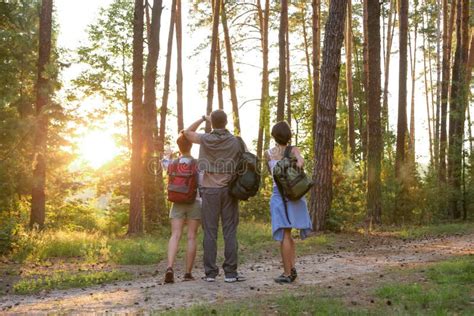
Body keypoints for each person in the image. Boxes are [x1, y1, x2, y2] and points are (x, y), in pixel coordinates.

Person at [183, 110, 246, 283]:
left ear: (213, 122)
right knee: (230, 231)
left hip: (209, 191)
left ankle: (210, 273)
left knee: (210, 232)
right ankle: (231, 273)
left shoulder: (206, 139)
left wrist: (203, 118)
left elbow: (186, 133)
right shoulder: (235, 141)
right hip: (228, 191)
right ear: (226, 123)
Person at [264, 121, 312, 284]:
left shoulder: (268, 153)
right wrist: (293, 165)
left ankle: (287, 273)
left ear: (274, 136)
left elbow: (271, 173)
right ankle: (291, 269)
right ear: (288, 135)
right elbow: (300, 163)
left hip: (278, 196)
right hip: (294, 194)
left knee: (285, 234)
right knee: (289, 235)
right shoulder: (293, 150)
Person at [163, 133, 201, 283]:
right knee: (191, 236)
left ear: (179, 147)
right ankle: (187, 273)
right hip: (194, 202)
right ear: (191, 145)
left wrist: (169, 152)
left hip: (176, 201)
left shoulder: (172, 163)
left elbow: (164, 160)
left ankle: (170, 267)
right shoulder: (198, 163)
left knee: (175, 235)